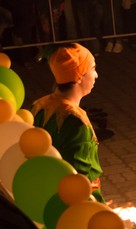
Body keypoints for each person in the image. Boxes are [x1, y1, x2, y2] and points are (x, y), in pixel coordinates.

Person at [31, 44, 104, 202]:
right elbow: (80, 177)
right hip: (76, 202)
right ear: (79, 76)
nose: (96, 75)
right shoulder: (76, 122)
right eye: (93, 68)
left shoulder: (39, 106)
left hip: (46, 192)